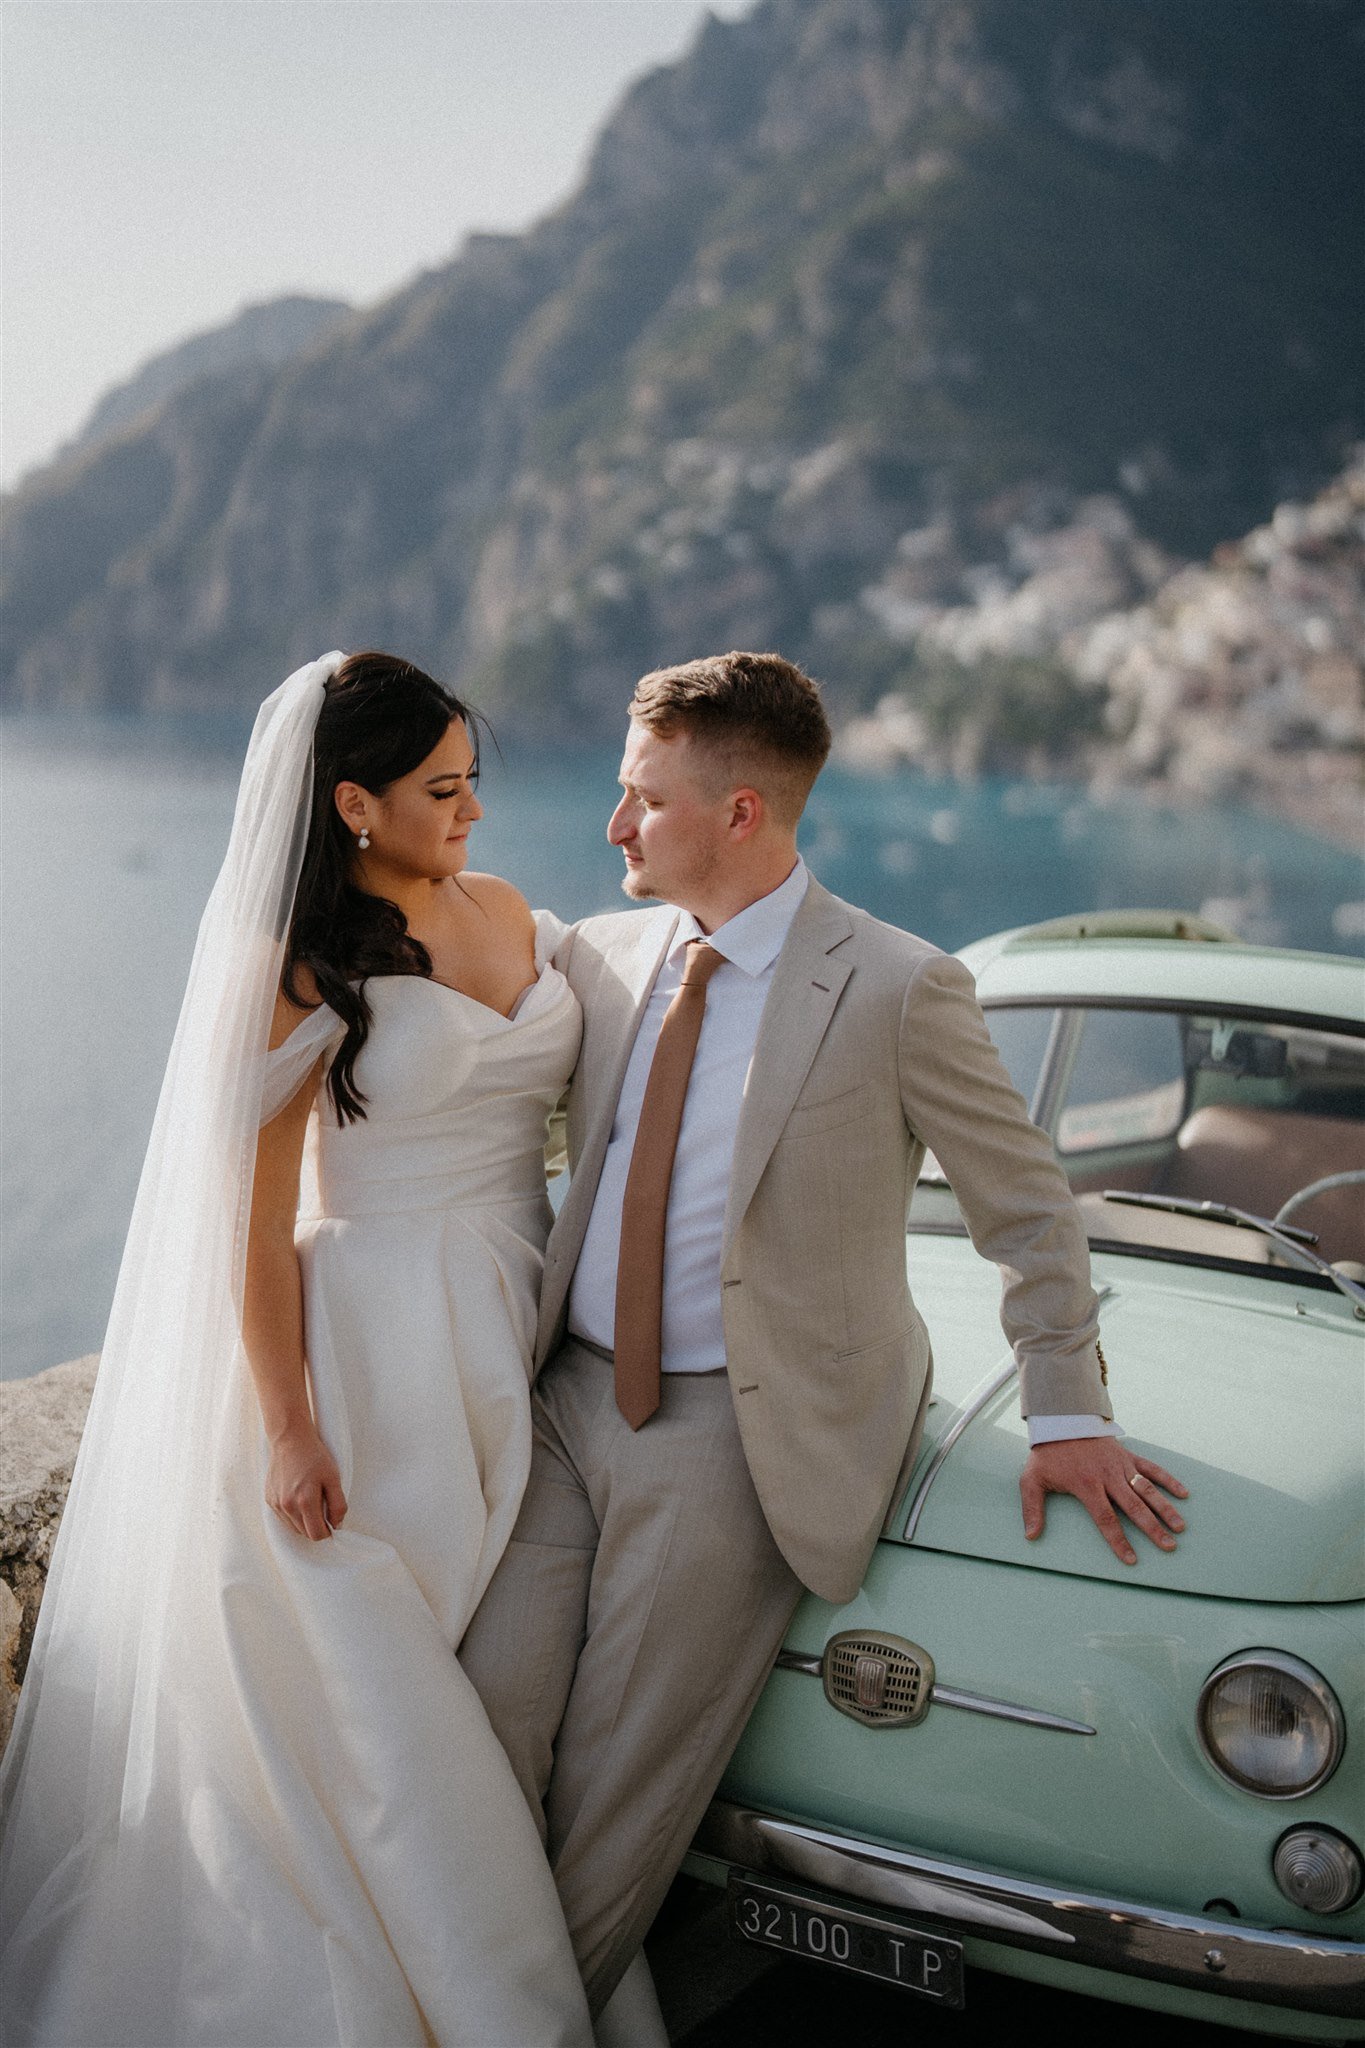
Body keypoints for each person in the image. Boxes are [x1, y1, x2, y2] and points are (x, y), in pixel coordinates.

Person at [461, 649, 1190, 2021]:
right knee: (479, 1713)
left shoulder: (897, 987)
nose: (613, 826)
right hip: (557, 1407)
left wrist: (1066, 1411)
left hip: (740, 1433)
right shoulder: (601, 957)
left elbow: (1028, 1208)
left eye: (643, 799)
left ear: (741, 812)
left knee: (619, 1797)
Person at [0, 652, 596, 2047]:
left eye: (473, 784)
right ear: (350, 803)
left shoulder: (510, 912)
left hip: (521, 1323)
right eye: (439, 790)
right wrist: (287, 1425)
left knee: (479, 1670)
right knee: (381, 1697)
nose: (470, 814)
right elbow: (252, 1228)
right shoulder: (299, 972)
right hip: (375, 1353)